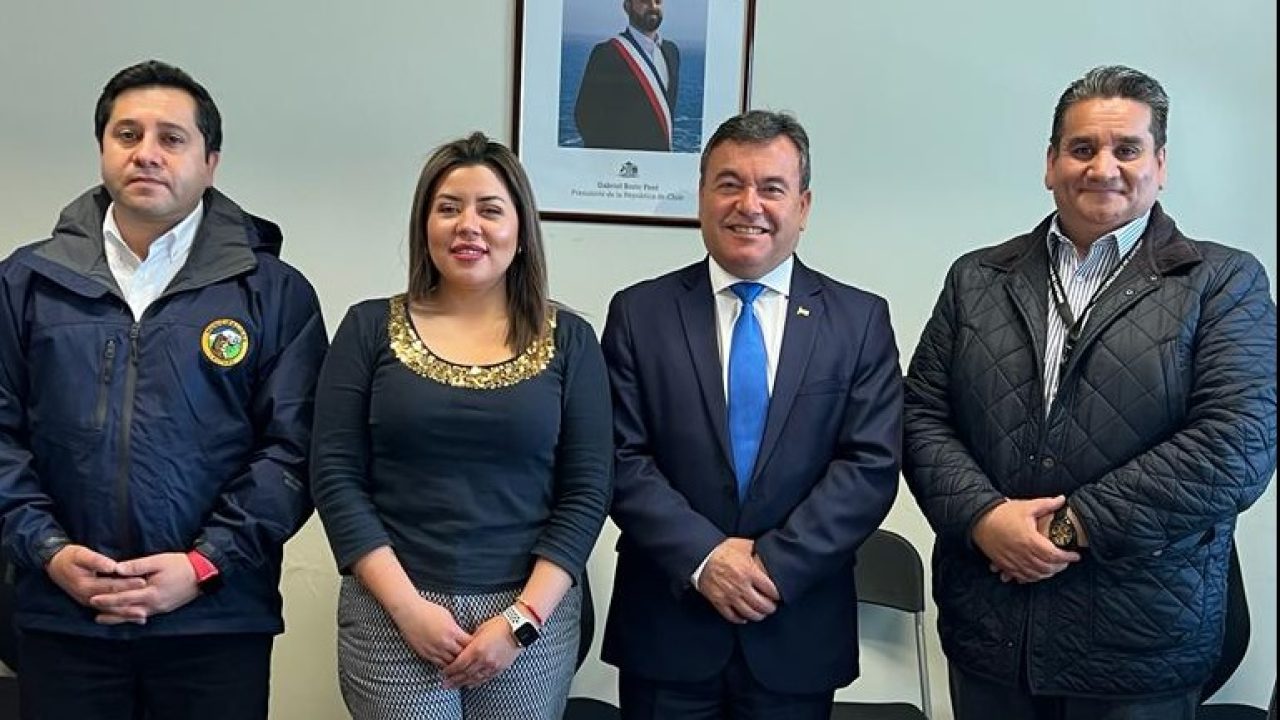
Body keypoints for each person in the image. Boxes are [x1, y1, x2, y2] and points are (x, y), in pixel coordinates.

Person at [903, 65, 1277, 720]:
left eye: (1127, 149)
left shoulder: (1222, 282)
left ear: (1159, 165)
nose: (1103, 168)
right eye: (1082, 148)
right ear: (1051, 164)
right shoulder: (976, 279)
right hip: (992, 633)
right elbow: (920, 416)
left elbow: (1238, 444)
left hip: (1140, 646)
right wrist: (985, 518)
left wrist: (1070, 526)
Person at [0, 60, 328, 719]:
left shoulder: (272, 292)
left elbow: (294, 451)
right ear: (102, 149)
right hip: (62, 615)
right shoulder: (26, 283)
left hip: (215, 622)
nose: (146, 153)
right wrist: (49, 551)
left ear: (210, 162)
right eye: (127, 135)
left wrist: (204, 565)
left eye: (171, 138)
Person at [600, 110, 903, 719]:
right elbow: (617, 457)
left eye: (772, 187)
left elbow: (869, 466)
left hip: (795, 627)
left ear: (803, 205)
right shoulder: (639, 313)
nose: (749, 205)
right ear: (701, 196)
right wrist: (706, 559)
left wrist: (773, 566)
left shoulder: (859, 320)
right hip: (668, 627)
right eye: (729, 184)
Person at [310, 132, 612, 720]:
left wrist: (520, 622)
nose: (467, 226)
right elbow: (335, 475)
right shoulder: (368, 329)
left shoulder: (571, 341)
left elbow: (588, 490)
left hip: (530, 616)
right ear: (424, 225)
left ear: (521, 231)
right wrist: (407, 610)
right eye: (448, 208)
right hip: (393, 611)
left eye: (490, 210)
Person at [574, 0, 681, 152]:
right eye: (644, 1)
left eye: (658, 1)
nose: (653, 7)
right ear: (627, 6)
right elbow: (585, 117)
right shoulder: (606, 53)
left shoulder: (671, 52)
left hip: (660, 161)